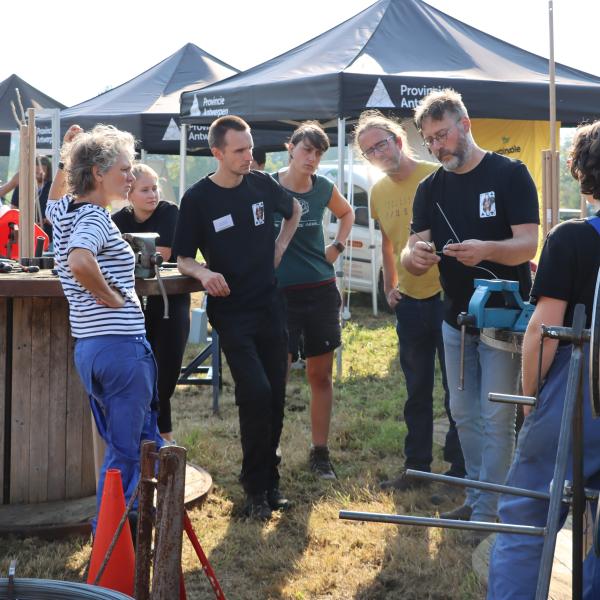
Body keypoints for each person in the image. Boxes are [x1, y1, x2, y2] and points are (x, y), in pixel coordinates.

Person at [401, 89, 539, 525]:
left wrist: (488, 250)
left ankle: (492, 510)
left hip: (505, 317)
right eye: (430, 141)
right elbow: (411, 246)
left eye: (442, 135)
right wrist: (415, 256)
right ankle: (481, 498)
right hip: (454, 317)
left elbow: (529, 244)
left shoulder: (511, 174)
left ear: (466, 125)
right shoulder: (430, 187)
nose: (438, 147)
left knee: (497, 415)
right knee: (463, 412)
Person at [487, 121, 600, 599]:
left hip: (578, 392)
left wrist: (531, 397)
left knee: (527, 515)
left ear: (584, 175)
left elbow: (543, 328)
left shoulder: (572, 238)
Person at [173, 115, 301, 521]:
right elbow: (181, 259)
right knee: (256, 392)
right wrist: (205, 273)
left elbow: (294, 209)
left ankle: (270, 483)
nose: (249, 157)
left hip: (269, 306)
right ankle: (253, 488)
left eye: (250, 148)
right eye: (240, 151)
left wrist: (279, 247)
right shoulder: (198, 199)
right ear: (217, 153)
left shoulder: (262, 184)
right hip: (232, 313)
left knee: (276, 395)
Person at [46, 124, 162, 529]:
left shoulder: (66, 211)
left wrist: (69, 151)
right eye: (125, 169)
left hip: (92, 349)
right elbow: (80, 260)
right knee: (125, 453)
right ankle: (114, 543)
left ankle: (133, 528)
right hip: (119, 348)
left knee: (130, 443)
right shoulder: (94, 217)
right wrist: (111, 296)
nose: (131, 176)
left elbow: (51, 201)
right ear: (98, 173)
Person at [354, 110, 465, 492]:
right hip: (411, 303)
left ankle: (457, 469)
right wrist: (389, 285)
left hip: (448, 299)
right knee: (416, 390)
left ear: (398, 140)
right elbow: (388, 241)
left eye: (382, 143)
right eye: (369, 151)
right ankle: (416, 468)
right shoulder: (378, 191)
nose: (378, 153)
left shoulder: (436, 177)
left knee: (456, 392)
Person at [274, 121, 354, 480]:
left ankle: (320, 452)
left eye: (319, 153)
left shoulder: (323, 187)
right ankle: (268, 451)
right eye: (307, 150)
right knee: (277, 373)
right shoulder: (267, 184)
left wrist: (336, 246)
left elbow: (347, 213)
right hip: (279, 294)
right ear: (291, 148)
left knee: (319, 375)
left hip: (320, 290)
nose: (312, 158)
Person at [112, 163, 190, 443]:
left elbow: (168, 253)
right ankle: (154, 440)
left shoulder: (170, 212)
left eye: (155, 187)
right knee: (140, 372)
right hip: (131, 302)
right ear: (129, 193)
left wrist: (133, 253)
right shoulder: (118, 219)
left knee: (165, 373)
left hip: (171, 301)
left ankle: (160, 439)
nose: (152, 194)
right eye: (145, 189)